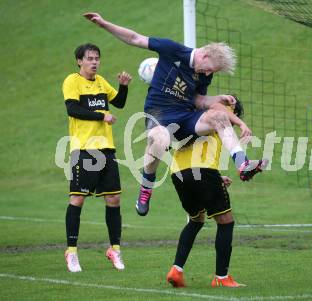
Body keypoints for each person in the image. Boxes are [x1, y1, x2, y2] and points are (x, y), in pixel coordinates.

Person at [82, 12, 268, 217]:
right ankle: (146, 189)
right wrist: (103, 24)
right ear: (204, 55)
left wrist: (218, 99)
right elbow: (134, 38)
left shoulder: (205, 74)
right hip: (159, 116)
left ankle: (242, 163)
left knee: (218, 116)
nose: (207, 73)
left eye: (211, 72)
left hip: (185, 119)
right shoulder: (172, 50)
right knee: (159, 139)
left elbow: (199, 101)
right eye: (209, 68)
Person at [62, 43, 132, 272]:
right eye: (90, 58)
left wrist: (123, 87)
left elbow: (119, 103)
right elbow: (73, 110)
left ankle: (115, 250)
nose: (94, 62)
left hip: (106, 149)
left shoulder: (101, 82)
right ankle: (71, 252)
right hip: (83, 149)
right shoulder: (72, 81)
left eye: (97, 58)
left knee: (113, 200)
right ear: (79, 61)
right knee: (78, 199)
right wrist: (101, 116)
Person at [166, 100, 246, 288]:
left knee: (196, 220)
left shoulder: (193, 117)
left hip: (178, 173)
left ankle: (176, 270)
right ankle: (222, 277)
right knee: (226, 221)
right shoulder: (219, 121)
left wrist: (217, 177)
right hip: (203, 171)